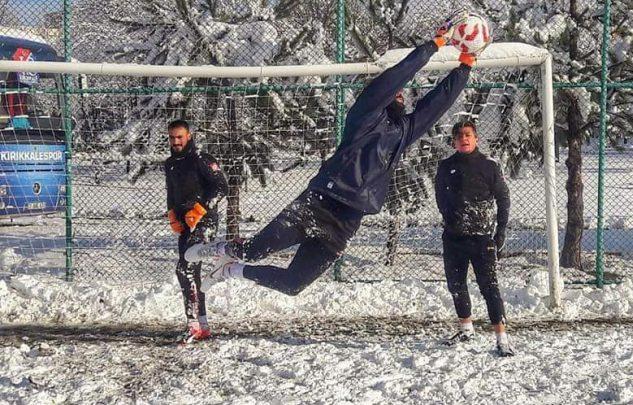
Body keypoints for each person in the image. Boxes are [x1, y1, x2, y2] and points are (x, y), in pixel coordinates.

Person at [186, 15, 483, 295]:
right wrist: (434, 45)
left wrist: (465, 65)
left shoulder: (402, 132)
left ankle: (230, 272)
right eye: (396, 92)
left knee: (293, 285)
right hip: (319, 202)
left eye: (403, 94)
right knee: (252, 250)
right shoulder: (363, 116)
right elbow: (395, 78)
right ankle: (220, 251)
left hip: (347, 220)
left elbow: (437, 104)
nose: (400, 95)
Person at [434, 121, 514, 357]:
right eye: (459, 136)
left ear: (476, 138)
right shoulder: (446, 166)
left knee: (490, 288)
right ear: (453, 142)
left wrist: (500, 231)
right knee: (456, 285)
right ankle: (466, 328)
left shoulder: (489, 166)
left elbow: (503, 198)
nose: (464, 139)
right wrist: (451, 216)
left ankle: (502, 338)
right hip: (453, 237)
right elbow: (440, 196)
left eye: (468, 135)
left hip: (482, 239)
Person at [165, 119, 228, 343]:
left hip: (205, 223)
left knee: (185, 270)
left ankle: (193, 326)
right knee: (192, 273)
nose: (176, 142)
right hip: (185, 225)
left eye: (180, 137)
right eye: (172, 138)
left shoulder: (201, 159)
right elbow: (171, 193)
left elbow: (222, 187)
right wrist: (172, 214)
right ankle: (202, 325)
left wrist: (201, 209)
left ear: (189, 135)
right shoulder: (170, 163)